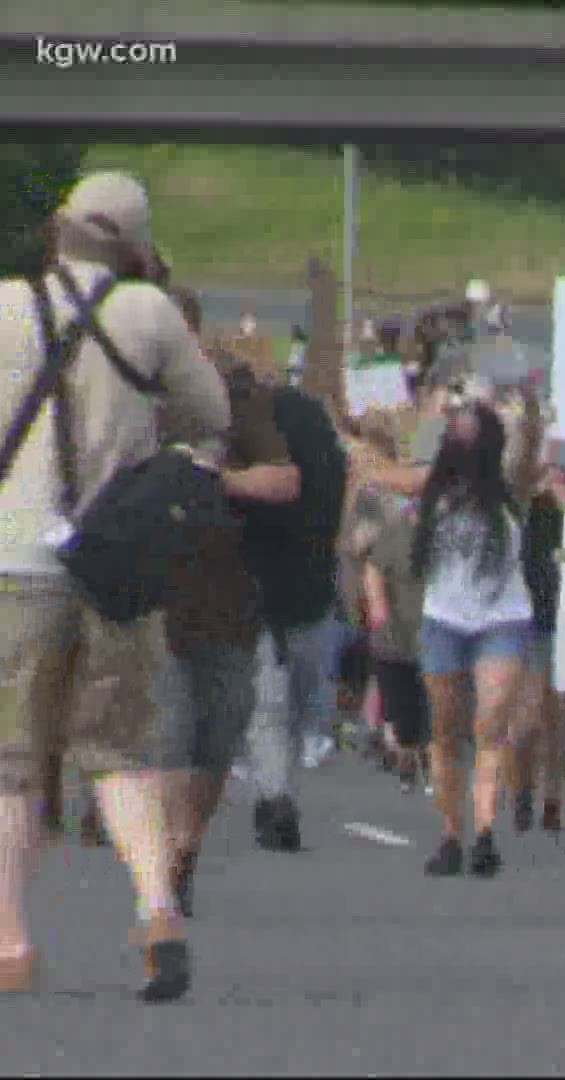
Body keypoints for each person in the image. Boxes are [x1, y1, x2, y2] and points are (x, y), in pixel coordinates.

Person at [0, 171, 231, 1000]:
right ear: (135, 247)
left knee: (12, 763)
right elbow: (210, 417)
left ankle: (11, 945)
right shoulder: (151, 315)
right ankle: (156, 904)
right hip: (116, 565)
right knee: (121, 750)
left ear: (59, 230)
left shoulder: (5, 308)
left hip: (16, 563)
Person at [155, 288, 300, 920]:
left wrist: (218, 477)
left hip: (227, 593)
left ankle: (185, 847)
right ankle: (160, 866)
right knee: (167, 736)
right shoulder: (118, 393)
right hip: (148, 596)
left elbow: (284, 478)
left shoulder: (233, 397)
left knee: (220, 733)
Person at [413, 403, 538, 879]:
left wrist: (528, 417)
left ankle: (484, 831)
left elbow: (526, 455)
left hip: (501, 619)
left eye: (469, 433)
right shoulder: (433, 488)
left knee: (489, 723)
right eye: (454, 432)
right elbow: (376, 468)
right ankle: (450, 832)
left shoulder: (510, 490)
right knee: (445, 731)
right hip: (443, 618)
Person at [239, 346, 349, 855]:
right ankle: (280, 796)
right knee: (297, 704)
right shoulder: (323, 452)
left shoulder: (254, 455)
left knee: (268, 703)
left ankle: (275, 795)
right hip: (310, 590)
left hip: (262, 590)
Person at [507, 461, 565, 835]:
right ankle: (522, 789)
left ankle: (552, 797)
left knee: (555, 714)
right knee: (528, 719)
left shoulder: (553, 514)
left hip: (557, 618)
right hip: (522, 622)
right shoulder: (509, 511)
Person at [364, 491, 432, 795]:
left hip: (433, 635)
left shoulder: (447, 536)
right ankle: (406, 761)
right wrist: (378, 605)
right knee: (402, 705)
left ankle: (428, 763)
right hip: (397, 634)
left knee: (430, 703)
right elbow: (374, 569)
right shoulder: (397, 530)